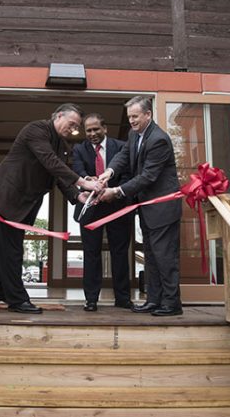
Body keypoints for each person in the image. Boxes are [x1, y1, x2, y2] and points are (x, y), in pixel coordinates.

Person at [0, 103, 103, 314]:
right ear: (57, 116)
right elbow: (50, 163)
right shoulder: (35, 130)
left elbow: (58, 176)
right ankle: (17, 300)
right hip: (9, 195)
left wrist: (78, 195)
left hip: (28, 200)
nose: (73, 128)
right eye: (71, 123)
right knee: (12, 248)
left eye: (77, 126)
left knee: (10, 245)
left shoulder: (63, 145)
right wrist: (84, 183)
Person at [97, 96, 183, 316]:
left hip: (163, 209)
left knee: (165, 257)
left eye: (135, 116)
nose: (132, 121)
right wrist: (109, 172)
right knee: (151, 256)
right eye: (129, 117)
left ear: (148, 115)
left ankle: (172, 304)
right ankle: (154, 300)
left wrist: (116, 191)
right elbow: (123, 156)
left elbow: (148, 177)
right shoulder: (134, 134)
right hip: (146, 208)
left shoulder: (159, 140)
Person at [72, 113, 133, 312]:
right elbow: (77, 171)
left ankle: (123, 299)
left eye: (96, 129)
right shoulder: (78, 149)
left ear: (105, 128)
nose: (92, 134)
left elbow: (128, 175)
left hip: (117, 206)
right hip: (90, 207)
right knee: (91, 254)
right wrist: (89, 181)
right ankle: (91, 300)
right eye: (88, 130)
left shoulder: (122, 147)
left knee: (120, 253)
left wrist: (113, 192)